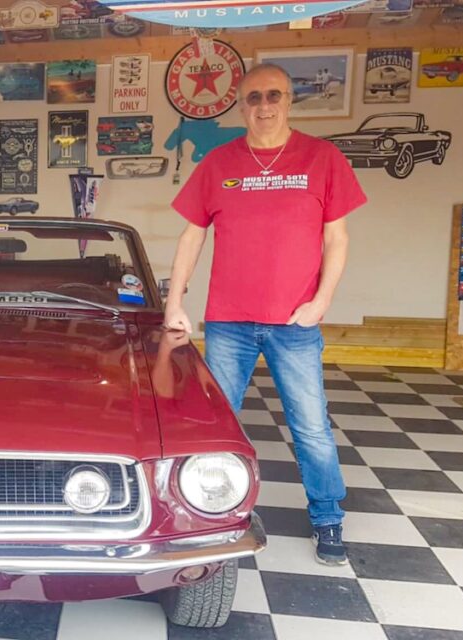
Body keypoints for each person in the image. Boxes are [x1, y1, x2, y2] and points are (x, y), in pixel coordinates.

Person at [164, 63, 367, 565]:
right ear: (241, 105)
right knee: (216, 426)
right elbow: (193, 234)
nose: (263, 105)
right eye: (253, 97)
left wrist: (320, 303)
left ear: (290, 100)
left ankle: (327, 517)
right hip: (229, 322)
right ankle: (207, 517)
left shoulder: (323, 158)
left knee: (310, 427)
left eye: (273, 94)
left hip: (294, 323)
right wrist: (174, 301)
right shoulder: (218, 162)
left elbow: (336, 238)